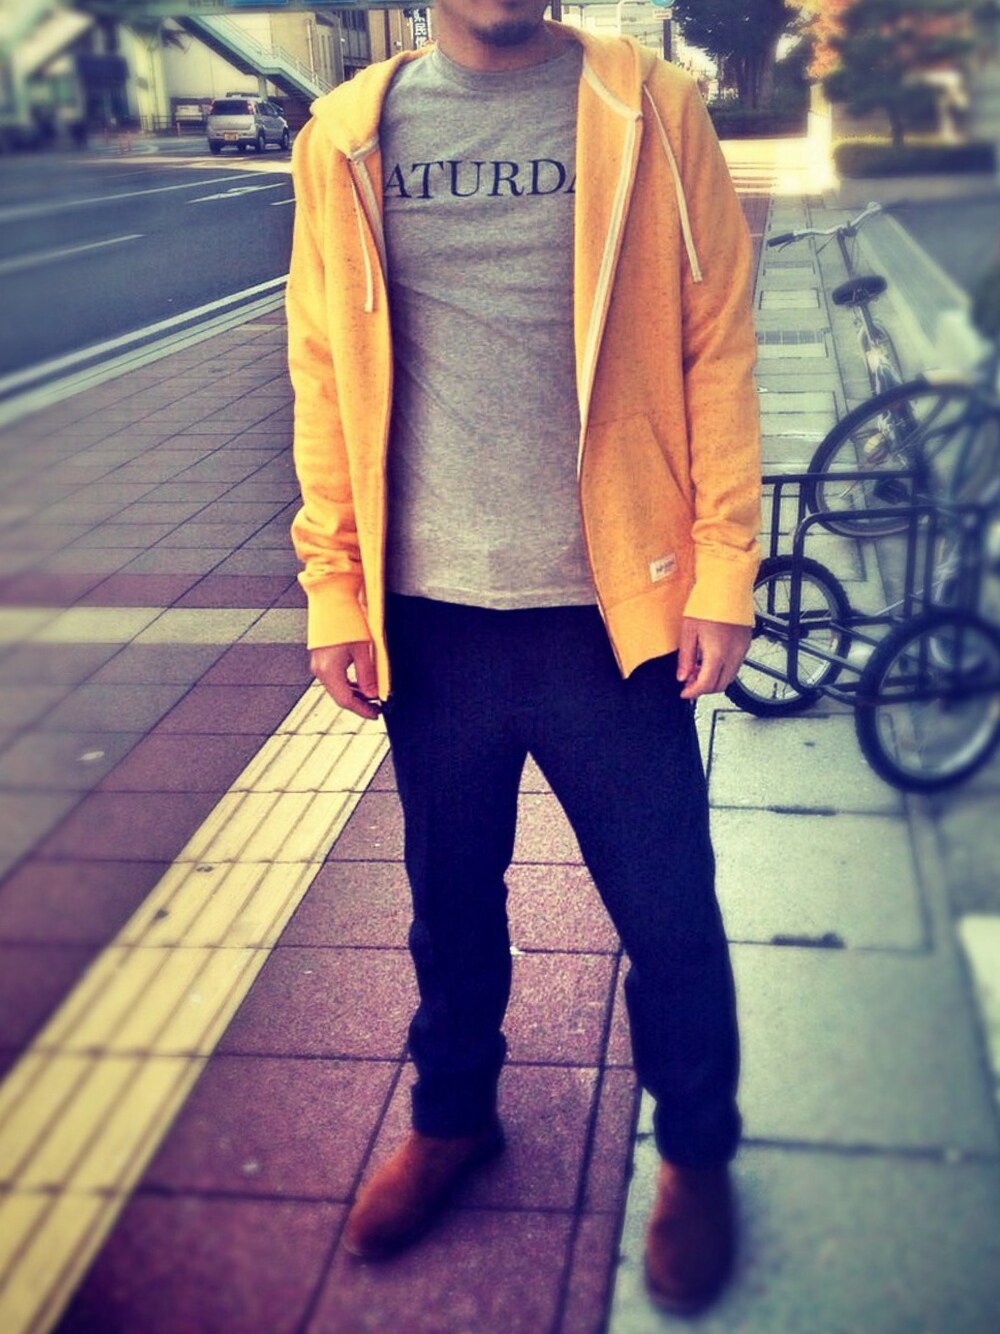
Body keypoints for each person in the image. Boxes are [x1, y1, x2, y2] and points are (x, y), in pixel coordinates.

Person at [286, 0, 760, 1314]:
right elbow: (321, 368)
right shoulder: (347, 134)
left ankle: (698, 1154)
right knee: (449, 900)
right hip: (431, 614)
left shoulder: (652, 105)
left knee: (668, 910)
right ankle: (453, 1119)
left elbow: (716, 339)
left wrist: (723, 568)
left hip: (609, 610)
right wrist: (336, 589)